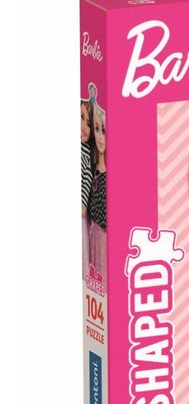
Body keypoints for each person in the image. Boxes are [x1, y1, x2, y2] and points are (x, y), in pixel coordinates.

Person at [88, 99, 107, 292]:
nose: (100, 136)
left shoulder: (111, 176)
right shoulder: (93, 169)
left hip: (105, 242)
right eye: (97, 129)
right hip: (93, 240)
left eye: (104, 130)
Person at [81, 96, 94, 277]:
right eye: (81, 118)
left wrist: (83, 205)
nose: (84, 126)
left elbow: (87, 177)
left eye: (88, 123)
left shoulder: (86, 152)